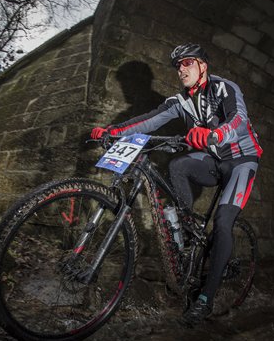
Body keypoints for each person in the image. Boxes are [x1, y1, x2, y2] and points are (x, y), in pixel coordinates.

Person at [90, 43, 262, 326]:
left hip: (242, 161)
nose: (181, 70)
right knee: (178, 165)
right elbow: (149, 121)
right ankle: (188, 229)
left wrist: (215, 135)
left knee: (222, 222)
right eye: (177, 66)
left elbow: (239, 120)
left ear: (203, 66)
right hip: (213, 160)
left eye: (187, 63)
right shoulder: (180, 101)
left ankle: (205, 298)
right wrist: (113, 131)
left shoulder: (223, 88)